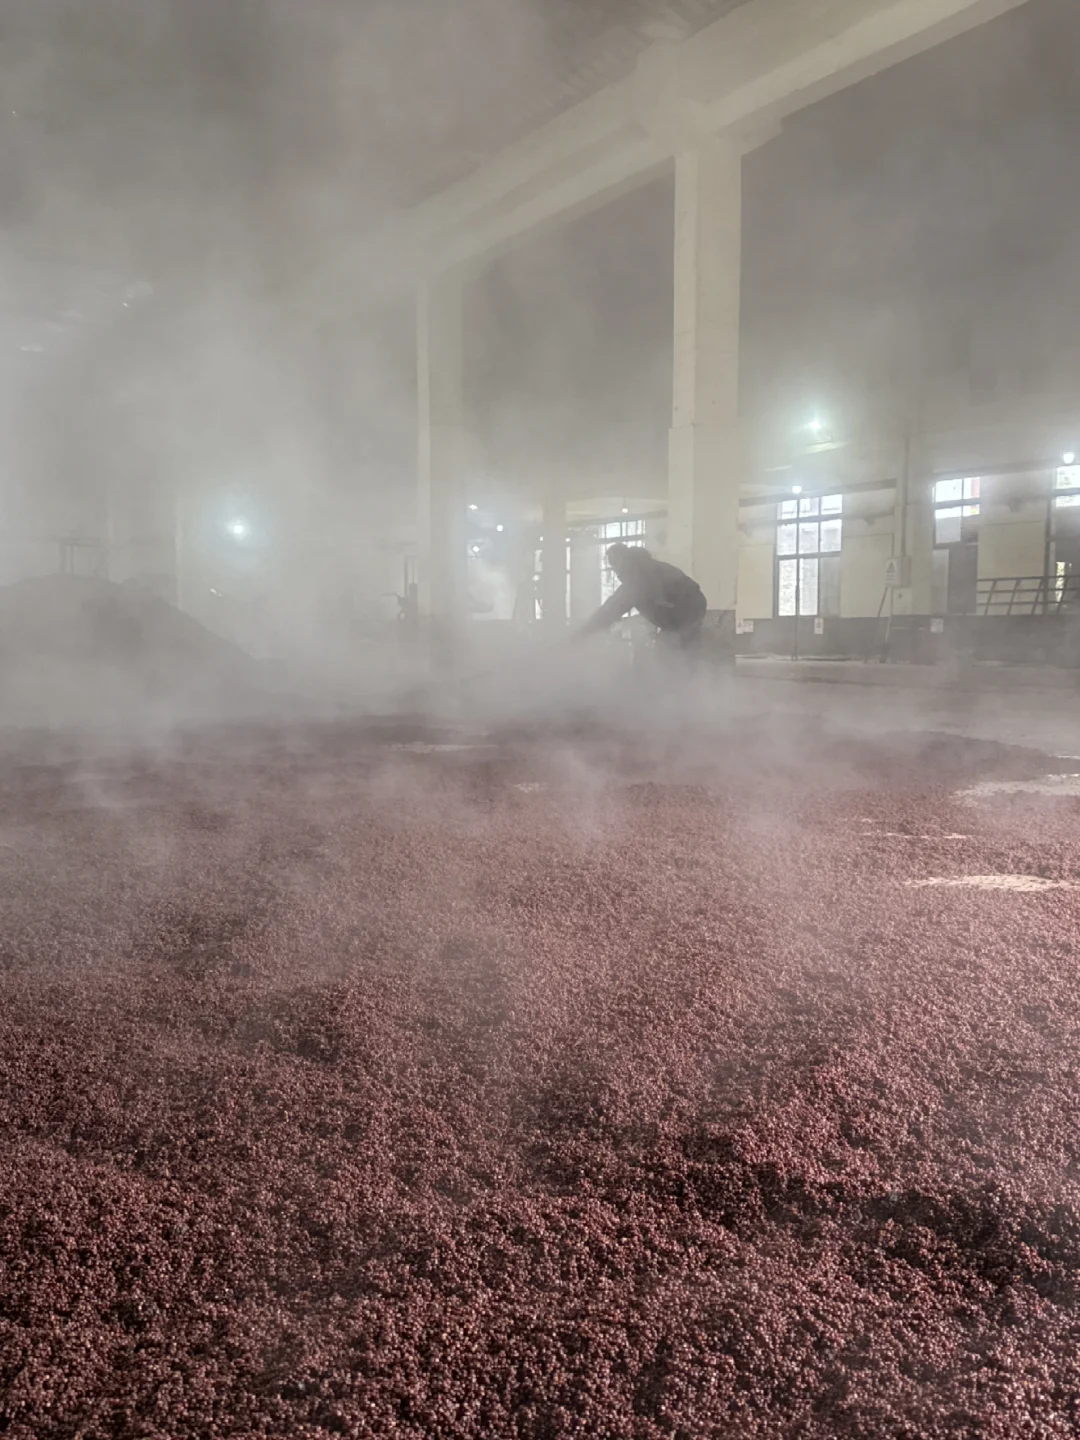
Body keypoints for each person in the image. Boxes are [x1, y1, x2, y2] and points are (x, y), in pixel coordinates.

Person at [577, 543, 708, 654]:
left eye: (615, 563)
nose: (615, 569)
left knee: (678, 658)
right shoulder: (646, 569)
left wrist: (582, 634)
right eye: (612, 564)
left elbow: (610, 610)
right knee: (672, 654)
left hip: (685, 618)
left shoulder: (640, 577)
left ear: (625, 560)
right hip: (683, 618)